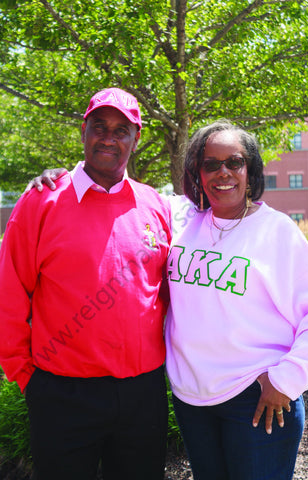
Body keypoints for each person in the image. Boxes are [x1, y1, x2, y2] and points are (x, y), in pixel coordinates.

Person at [0, 87, 172, 480]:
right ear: (84, 131)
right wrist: (27, 377)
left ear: (136, 138)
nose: (109, 138)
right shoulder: (41, 201)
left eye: (121, 130)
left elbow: (166, 292)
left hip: (141, 394)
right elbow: (8, 294)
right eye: (100, 126)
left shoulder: (155, 205)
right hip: (63, 394)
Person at [164, 120, 308, 480]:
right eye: (210, 164)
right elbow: (122, 195)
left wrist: (287, 380)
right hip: (192, 400)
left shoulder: (276, 231)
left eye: (234, 162)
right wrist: (67, 175)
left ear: (250, 171)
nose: (223, 172)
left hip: (256, 399)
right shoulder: (183, 222)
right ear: (197, 173)